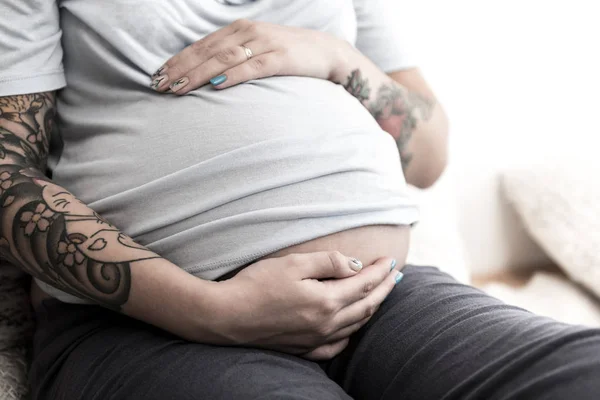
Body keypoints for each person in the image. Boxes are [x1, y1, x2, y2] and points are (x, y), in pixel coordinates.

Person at [0, 0, 599, 399]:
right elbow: (8, 175)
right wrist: (213, 313)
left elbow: (431, 154)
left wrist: (341, 61)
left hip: (377, 293)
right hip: (146, 325)